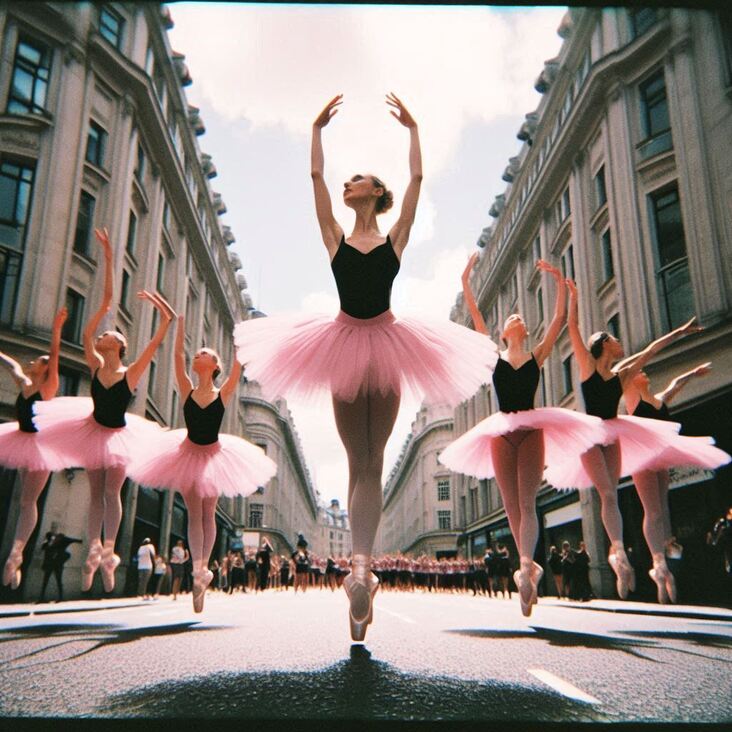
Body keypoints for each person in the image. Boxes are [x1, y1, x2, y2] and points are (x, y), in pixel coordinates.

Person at [234, 94, 497, 641]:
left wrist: (415, 129)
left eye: (359, 179)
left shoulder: (360, 236)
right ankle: (362, 570)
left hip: (360, 343)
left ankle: (359, 570)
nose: (348, 183)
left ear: (375, 193)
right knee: (370, 462)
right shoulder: (373, 237)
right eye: (348, 179)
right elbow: (316, 179)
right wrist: (314, 129)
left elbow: (416, 181)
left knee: (362, 462)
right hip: (374, 341)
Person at [440, 254, 604, 616]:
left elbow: (559, 321)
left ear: (524, 332)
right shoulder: (494, 355)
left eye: (520, 318)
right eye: (511, 318)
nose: (516, 317)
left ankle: (526, 567)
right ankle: (527, 566)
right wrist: (465, 280)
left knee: (527, 503)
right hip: (500, 431)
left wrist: (562, 283)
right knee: (511, 506)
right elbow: (476, 317)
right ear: (503, 334)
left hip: (530, 428)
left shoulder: (536, 354)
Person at [33, 228, 172, 593]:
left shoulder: (131, 371)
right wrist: (109, 257)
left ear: (120, 346)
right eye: (101, 336)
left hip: (120, 435)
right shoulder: (94, 363)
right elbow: (105, 303)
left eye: (108, 336)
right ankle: (93, 551)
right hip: (94, 431)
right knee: (96, 494)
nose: (101, 337)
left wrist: (166, 318)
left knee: (112, 493)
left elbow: (157, 342)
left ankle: (110, 552)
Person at [545, 279, 703, 599]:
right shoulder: (588, 365)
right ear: (604, 344)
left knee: (612, 494)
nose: (620, 343)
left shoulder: (622, 375)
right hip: (591, 434)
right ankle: (618, 552)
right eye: (614, 339)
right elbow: (572, 326)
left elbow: (650, 350)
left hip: (613, 432)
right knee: (606, 492)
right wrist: (574, 295)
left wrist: (680, 332)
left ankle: (649, 561)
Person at [128, 314, 276, 612]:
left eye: (204, 353)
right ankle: (198, 571)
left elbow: (238, 365)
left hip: (213, 456)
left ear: (214, 366)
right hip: (185, 452)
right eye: (198, 353)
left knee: (208, 513)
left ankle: (202, 569)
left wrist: (239, 334)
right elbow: (178, 355)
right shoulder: (187, 388)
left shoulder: (223, 393)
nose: (199, 354)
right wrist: (179, 323)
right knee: (195, 514)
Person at [624, 364, 729, 603]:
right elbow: (628, 371)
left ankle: (666, 554)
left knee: (662, 508)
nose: (644, 373)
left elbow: (676, 383)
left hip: (661, 457)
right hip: (641, 456)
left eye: (645, 372)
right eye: (640, 372)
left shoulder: (659, 399)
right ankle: (658, 563)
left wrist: (693, 372)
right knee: (652, 509)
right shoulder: (632, 398)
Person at [0, 307, 67, 590]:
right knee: (25, 501)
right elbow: (10, 364)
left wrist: (56, 330)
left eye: (41, 360)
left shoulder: (48, 387)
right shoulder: (25, 383)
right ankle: (16, 555)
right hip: (20, 438)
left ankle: (17, 551)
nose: (35, 360)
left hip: (41, 447)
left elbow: (54, 356)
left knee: (29, 501)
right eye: (38, 359)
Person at [39, 532, 81, 602]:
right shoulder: (47, 544)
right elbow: (44, 549)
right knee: (46, 581)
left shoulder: (58, 543)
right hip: (50, 565)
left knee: (58, 581)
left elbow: (72, 542)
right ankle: (42, 597)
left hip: (56, 565)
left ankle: (60, 597)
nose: (53, 538)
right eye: (52, 537)